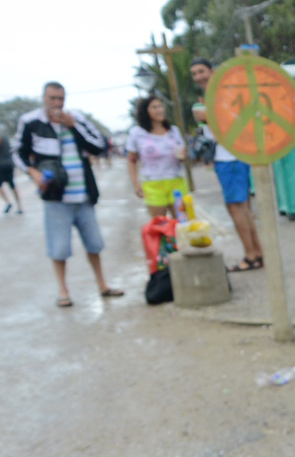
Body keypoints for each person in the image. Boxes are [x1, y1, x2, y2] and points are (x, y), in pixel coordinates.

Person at [13, 82, 122, 307]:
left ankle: (103, 285)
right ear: (43, 97)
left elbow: (100, 146)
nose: (57, 103)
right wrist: (32, 172)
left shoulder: (78, 119)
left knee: (94, 244)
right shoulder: (31, 122)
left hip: (83, 195)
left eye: (60, 99)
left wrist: (73, 126)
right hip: (56, 197)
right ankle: (63, 291)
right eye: (52, 98)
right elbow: (17, 152)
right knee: (59, 247)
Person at [188, 57, 264, 272]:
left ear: (211, 71)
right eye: (194, 74)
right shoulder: (211, 96)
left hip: (229, 157)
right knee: (243, 207)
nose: (198, 77)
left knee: (236, 207)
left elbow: (226, 123)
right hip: (230, 157)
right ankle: (257, 252)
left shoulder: (221, 95)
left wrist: (207, 114)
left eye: (201, 71)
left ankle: (250, 255)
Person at [126, 95, 188, 218]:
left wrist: (183, 156)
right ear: (145, 111)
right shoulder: (137, 133)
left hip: (176, 182)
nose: (159, 109)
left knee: (182, 223)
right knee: (160, 226)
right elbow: (131, 160)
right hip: (152, 184)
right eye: (154, 107)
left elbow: (183, 156)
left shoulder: (173, 131)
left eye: (160, 106)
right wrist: (135, 184)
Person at [0, 125, 24, 215]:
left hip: (1, 165)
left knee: (4, 186)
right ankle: (20, 206)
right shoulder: (5, 136)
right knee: (12, 185)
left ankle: (8, 203)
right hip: (9, 163)